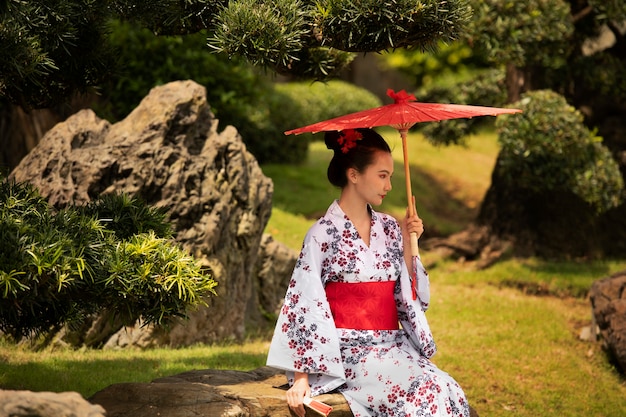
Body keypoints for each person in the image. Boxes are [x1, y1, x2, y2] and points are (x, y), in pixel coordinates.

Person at [266, 128, 469, 417]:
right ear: (354, 175)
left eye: (391, 176)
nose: (389, 185)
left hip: (392, 346)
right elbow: (304, 302)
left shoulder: (388, 227)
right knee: (427, 392)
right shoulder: (322, 234)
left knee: (446, 387)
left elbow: (410, 298)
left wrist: (413, 246)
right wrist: (301, 378)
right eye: (382, 175)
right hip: (348, 353)